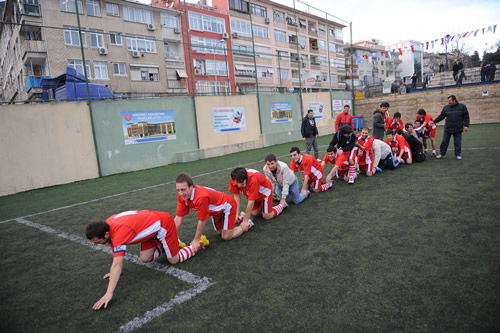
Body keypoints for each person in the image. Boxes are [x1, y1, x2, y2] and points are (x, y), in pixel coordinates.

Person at [85, 209, 207, 310]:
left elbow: (117, 264)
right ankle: (169, 246)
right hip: (150, 231)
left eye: (97, 242)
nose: (96, 245)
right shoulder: (108, 227)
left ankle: (198, 244)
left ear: (106, 234)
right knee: (145, 258)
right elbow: (114, 249)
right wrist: (115, 273)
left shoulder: (119, 232)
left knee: (173, 260)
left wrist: (108, 293)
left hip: (163, 225)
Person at [174, 173, 249, 249]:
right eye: (178, 190)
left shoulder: (200, 197)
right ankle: (239, 218)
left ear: (191, 187)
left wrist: (196, 240)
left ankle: (247, 224)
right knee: (219, 232)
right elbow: (179, 217)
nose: (181, 193)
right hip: (215, 212)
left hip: (228, 206)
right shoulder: (182, 197)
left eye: (183, 189)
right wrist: (170, 236)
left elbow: (202, 221)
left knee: (226, 236)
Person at [434, 95, 470, 159]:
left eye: (450, 101)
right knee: (444, 141)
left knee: (457, 142)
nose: (449, 102)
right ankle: (442, 153)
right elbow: (441, 116)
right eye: (448, 101)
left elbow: (466, 116)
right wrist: (434, 122)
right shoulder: (446, 108)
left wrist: (466, 125)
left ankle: (458, 154)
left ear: (454, 100)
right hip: (448, 128)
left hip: (458, 128)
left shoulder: (462, 106)